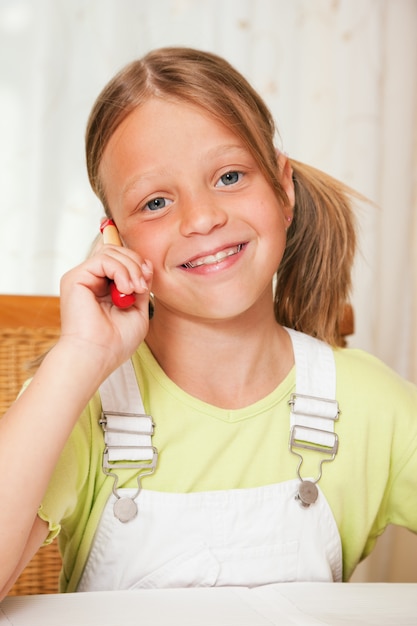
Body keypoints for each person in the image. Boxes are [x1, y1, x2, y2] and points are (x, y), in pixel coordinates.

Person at [1, 46, 416, 597]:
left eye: (228, 176)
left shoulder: (370, 403)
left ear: (282, 189)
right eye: (155, 202)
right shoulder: (80, 403)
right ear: (115, 239)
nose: (202, 218)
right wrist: (77, 358)